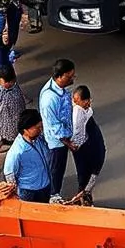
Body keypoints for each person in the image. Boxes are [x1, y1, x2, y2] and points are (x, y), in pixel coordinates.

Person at [38, 58, 75, 203]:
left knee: (57, 168)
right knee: (56, 169)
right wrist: (68, 143)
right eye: (69, 76)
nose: (72, 78)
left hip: (64, 135)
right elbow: (55, 127)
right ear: (59, 77)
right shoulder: (49, 98)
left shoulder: (59, 90)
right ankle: (54, 194)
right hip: (57, 142)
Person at [69, 85, 107, 207]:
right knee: (85, 172)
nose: (88, 104)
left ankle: (85, 195)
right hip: (83, 145)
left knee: (92, 168)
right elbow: (77, 133)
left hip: (90, 139)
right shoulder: (76, 113)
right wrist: (76, 147)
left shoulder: (83, 108)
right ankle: (83, 196)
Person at [3, 109, 52, 203]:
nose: (40, 130)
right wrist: (14, 192)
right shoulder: (17, 151)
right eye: (37, 128)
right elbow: (9, 173)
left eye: (40, 127)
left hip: (45, 185)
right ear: (26, 130)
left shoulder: (38, 139)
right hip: (29, 191)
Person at [0, 65, 26, 152]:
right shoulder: (1, 91)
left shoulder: (15, 88)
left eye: (11, 81)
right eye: (6, 81)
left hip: (15, 124)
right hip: (4, 126)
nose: (9, 83)